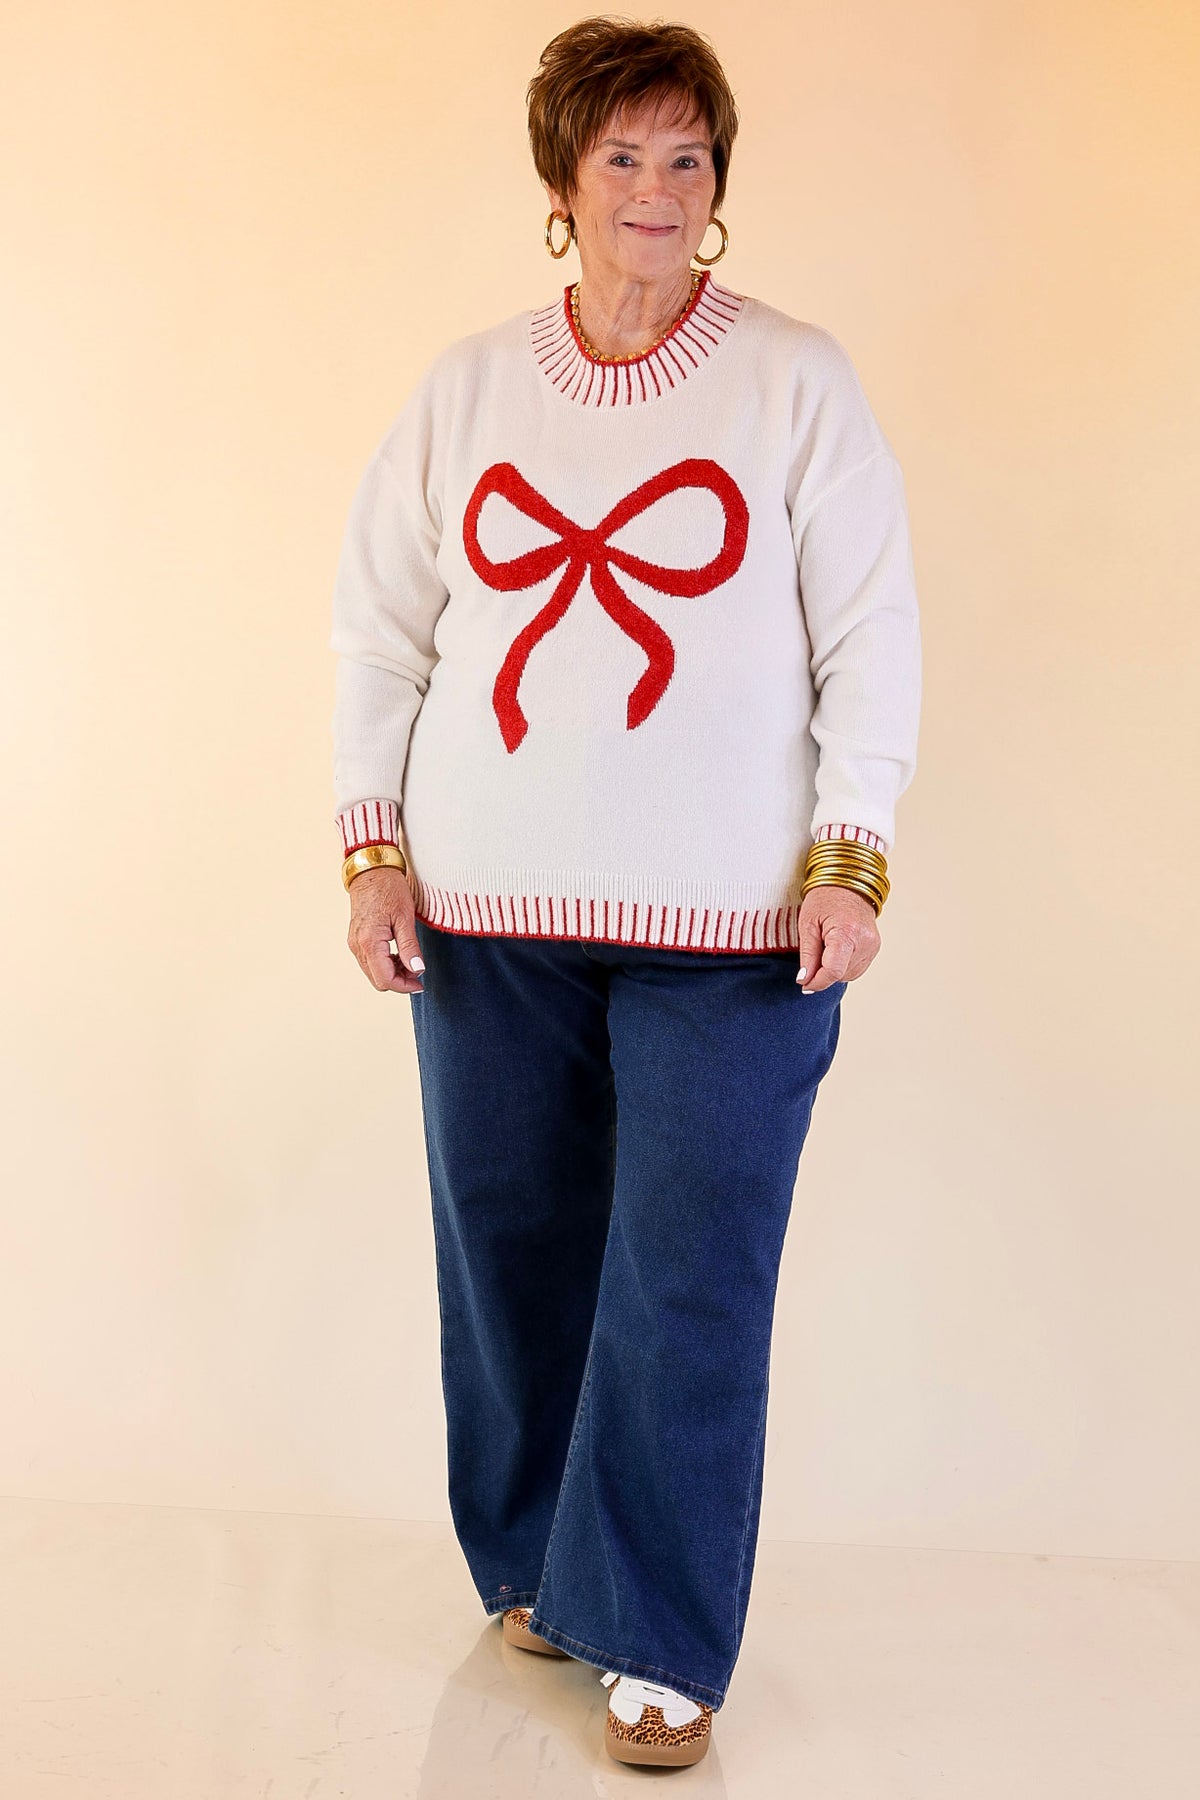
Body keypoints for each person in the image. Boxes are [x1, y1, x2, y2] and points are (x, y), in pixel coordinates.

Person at [329, 15, 921, 1771]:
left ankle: (659, 1629)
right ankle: (538, 1565)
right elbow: (382, 631)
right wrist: (373, 845)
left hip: (734, 930)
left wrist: (852, 850)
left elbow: (870, 632)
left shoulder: (796, 380)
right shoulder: (466, 389)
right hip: (487, 915)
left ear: (717, 183)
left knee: (687, 1271)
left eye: (687, 157)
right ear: (564, 180)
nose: (656, 189)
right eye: (623, 156)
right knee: (509, 1244)